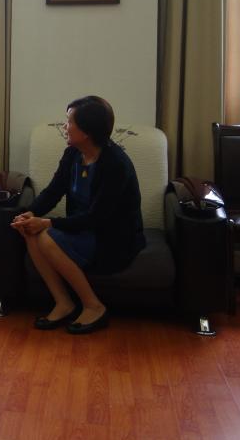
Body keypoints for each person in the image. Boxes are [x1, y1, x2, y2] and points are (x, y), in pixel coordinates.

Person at [10, 95, 145, 334]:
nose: (65, 127)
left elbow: (97, 218)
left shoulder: (116, 165)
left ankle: (94, 306)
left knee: (45, 235)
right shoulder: (73, 154)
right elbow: (53, 191)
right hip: (83, 230)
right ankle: (63, 302)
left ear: (87, 131)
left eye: (69, 121)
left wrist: (47, 223)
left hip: (111, 240)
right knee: (30, 231)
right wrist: (29, 213)